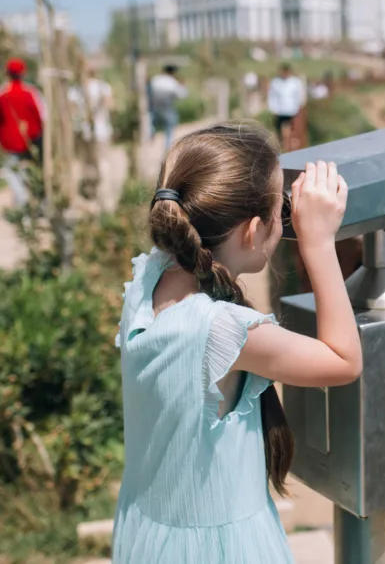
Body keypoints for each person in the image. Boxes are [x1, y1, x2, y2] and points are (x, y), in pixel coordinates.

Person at [111, 123, 360, 563]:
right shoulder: (221, 329)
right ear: (252, 231)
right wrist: (319, 242)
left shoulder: (148, 278)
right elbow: (343, 361)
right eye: (282, 207)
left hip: (150, 535)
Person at [0, 58, 44, 209]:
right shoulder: (30, 92)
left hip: (10, 142)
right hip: (30, 140)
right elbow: (38, 116)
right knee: (29, 171)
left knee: (13, 172)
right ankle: (31, 200)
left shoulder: (2, 94)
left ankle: (22, 201)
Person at [149, 64, 188, 153]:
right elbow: (181, 95)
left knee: (152, 122)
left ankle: (151, 133)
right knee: (169, 129)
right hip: (167, 108)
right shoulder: (172, 82)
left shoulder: (156, 79)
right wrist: (183, 86)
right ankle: (167, 149)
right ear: (173, 72)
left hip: (154, 107)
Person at [266, 63, 305, 146]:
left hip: (292, 110)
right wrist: (273, 108)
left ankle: (289, 144)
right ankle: (283, 144)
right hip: (280, 111)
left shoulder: (295, 82)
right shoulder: (276, 82)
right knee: (280, 131)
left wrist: (300, 106)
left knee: (290, 130)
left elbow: (299, 95)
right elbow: (272, 96)